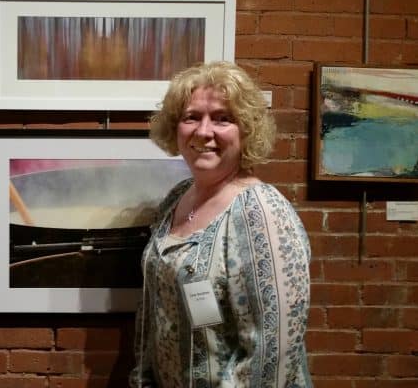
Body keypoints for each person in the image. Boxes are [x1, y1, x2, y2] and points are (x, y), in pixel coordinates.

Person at [130, 61, 311, 387]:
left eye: (222, 119)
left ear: (246, 130)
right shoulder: (177, 198)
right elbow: (153, 313)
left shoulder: (263, 212)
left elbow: (272, 353)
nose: (203, 131)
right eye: (191, 117)